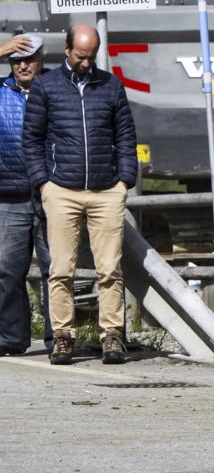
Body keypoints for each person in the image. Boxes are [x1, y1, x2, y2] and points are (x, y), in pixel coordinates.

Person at [24, 23, 138, 366]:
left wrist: (125, 181)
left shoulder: (111, 86)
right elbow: (32, 139)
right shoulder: (46, 87)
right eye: (79, 56)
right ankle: (62, 337)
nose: (86, 63)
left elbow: (126, 136)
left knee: (110, 270)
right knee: (61, 270)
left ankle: (112, 336)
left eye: (91, 57)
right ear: (67, 49)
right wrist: (43, 183)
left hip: (106, 190)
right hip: (61, 190)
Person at [0, 33, 54, 355]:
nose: (23, 64)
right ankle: (11, 338)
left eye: (29, 57)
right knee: (7, 270)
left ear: (41, 59)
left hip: (50, 193)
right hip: (8, 195)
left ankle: (57, 338)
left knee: (54, 270)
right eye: (16, 58)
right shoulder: (1, 91)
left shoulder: (55, 88)